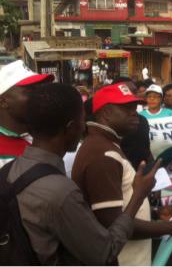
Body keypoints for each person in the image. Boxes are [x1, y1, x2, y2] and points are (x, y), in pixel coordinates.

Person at [3, 82, 158, 265]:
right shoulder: (61, 192)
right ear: (70, 128)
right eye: (82, 119)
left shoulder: (9, 170)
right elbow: (104, 252)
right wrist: (137, 197)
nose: (84, 125)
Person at [72, 83, 172, 266]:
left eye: (134, 107)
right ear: (105, 113)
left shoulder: (105, 145)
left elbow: (118, 207)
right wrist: (170, 227)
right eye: (127, 108)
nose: (135, 112)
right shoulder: (103, 154)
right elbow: (113, 224)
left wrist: (153, 213)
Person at [0, 60, 53, 168]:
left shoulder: (49, 136)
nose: (39, 96)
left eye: (39, 89)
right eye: (29, 92)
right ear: (3, 102)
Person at [113, 77, 154, 170]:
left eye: (134, 91)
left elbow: (146, 150)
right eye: (126, 91)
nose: (131, 95)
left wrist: (154, 168)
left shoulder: (142, 120)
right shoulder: (107, 125)